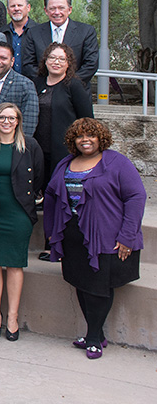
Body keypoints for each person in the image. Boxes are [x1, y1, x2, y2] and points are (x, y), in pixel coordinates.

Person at [43, 118, 145, 359]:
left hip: (108, 236)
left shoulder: (117, 162)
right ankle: (96, 335)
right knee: (82, 282)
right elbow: (51, 195)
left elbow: (136, 197)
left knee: (99, 287)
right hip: (73, 236)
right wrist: (51, 231)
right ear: (73, 140)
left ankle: (92, 338)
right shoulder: (66, 163)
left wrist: (128, 236)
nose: (85, 140)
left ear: (101, 138)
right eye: (79, 136)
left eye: (91, 135)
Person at [0, 103, 44, 341]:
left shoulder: (30, 145)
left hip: (18, 212)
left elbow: (38, 176)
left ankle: (12, 317)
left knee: (15, 265)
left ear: (18, 121)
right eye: (1, 118)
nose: (6, 122)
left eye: (11, 118)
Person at [34, 42, 95, 202]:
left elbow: (87, 120)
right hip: (38, 148)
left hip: (64, 152)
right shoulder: (36, 83)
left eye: (62, 59)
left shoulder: (74, 86)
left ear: (69, 63)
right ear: (45, 61)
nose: (56, 62)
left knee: (60, 197)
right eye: (52, 57)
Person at [21, 0, 100, 86]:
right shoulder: (33, 33)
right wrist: (48, 83)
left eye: (61, 8)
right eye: (52, 8)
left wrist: (67, 84)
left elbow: (91, 64)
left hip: (76, 91)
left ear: (69, 9)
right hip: (43, 91)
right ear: (46, 10)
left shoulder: (86, 31)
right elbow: (28, 64)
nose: (57, 12)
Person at [0, 42, 39, 136]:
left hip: (9, 143)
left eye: (3, 58)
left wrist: (19, 145)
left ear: (12, 61)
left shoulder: (25, 85)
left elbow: (30, 121)